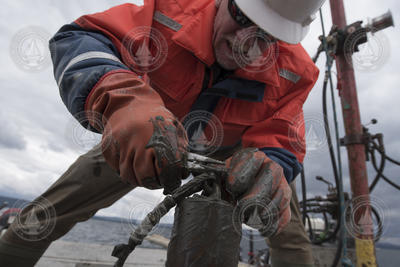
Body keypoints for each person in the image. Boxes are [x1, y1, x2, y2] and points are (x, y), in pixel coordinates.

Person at [0, 0, 325, 266]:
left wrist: (272, 164)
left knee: (285, 228)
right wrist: (123, 103)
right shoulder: (166, 13)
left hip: (238, 152)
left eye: (267, 36)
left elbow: (282, 131)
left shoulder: (296, 72)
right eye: (242, 18)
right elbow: (79, 39)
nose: (246, 45)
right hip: (145, 128)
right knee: (45, 216)